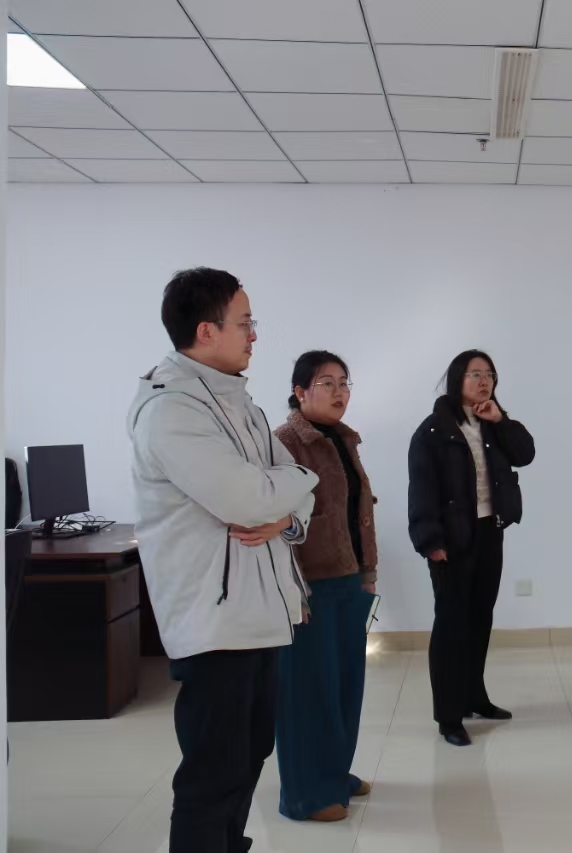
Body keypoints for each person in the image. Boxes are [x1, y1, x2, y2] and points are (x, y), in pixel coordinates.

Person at [127, 267, 317, 853]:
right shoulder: (173, 410)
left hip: (258, 613)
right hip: (214, 622)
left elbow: (290, 491)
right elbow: (251, 497)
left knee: (250, 751)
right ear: (206, 331)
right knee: (213, 772)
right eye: (245, 322)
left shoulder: (242, 403)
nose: (254, 334)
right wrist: (293, 484)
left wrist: (287, 509)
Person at [408, 351, 535, 746]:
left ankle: (473, 697)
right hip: (451, 539)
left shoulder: (493, 423)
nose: (484, 381)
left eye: (489, 374)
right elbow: (422, 489)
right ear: (457, 380)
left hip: (489, 531)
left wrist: (502, 420)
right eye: (474, 374)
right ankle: (449, 717)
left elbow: (525, 454)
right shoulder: (433, 430)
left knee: (480, 617)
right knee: (451, 624)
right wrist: (430, 542)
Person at [274, 351, 379, 822]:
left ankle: (334, 772)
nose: (339, 392)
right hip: (309, 586)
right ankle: (305, 794)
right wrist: (292, 590)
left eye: (344, 383)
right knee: (307, 692)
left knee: (344, 686)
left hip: (348, 577)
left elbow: (358, 513)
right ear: (300, 392)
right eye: (327, 383)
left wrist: (367, 571)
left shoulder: (343, 439)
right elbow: (279, 521)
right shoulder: (285, 442)